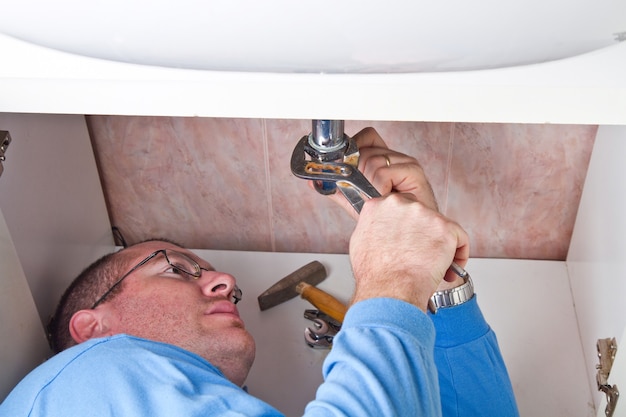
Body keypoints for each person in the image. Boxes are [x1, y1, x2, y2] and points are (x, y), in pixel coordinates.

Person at [0, 128, 518, 416]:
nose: (223, 280)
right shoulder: (91, 374)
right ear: (93, 327)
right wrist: (395, 279)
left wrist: (435, 283)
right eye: (176, 269)